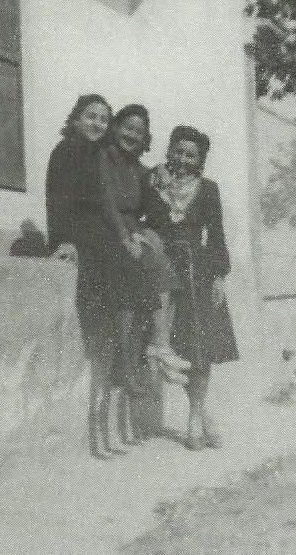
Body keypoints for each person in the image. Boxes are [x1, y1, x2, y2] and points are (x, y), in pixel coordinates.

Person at [97, 105, 190, 442]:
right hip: (106, 229)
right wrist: (126, 234)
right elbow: (106, 201)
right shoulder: (103, 159)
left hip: (132, 232)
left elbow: (155, 215)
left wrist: (160, 187)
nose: (132, 136)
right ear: (116, 127)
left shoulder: (140, 170)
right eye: (127, 127)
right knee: (146, 255)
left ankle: (160, 345)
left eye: (139, 132)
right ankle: (147, 353)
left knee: (160, 252)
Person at [146, 125, 239, 450]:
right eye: (178, 151)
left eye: (191, 155)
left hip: (197, 273)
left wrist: (219, 277)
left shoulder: (208, 189)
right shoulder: (152, 181)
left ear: (200, 160)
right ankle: (202, 411)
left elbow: (216, 235)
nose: (183, 159)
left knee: (198, 351)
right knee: (172, 349)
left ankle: (195, 417)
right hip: (163, 271)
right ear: (169, 150)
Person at [45, 93, 116, 460]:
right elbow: (56, 200)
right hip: (82, 248)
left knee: (105, 339)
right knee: (93, 337)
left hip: (105, 251)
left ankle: (101, 423)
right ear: (75, 119)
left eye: (104, 119)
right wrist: (63, 241)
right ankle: (92, 427)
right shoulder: (65, 151)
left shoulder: (100, 157)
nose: (97, 124)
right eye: (91, 116)